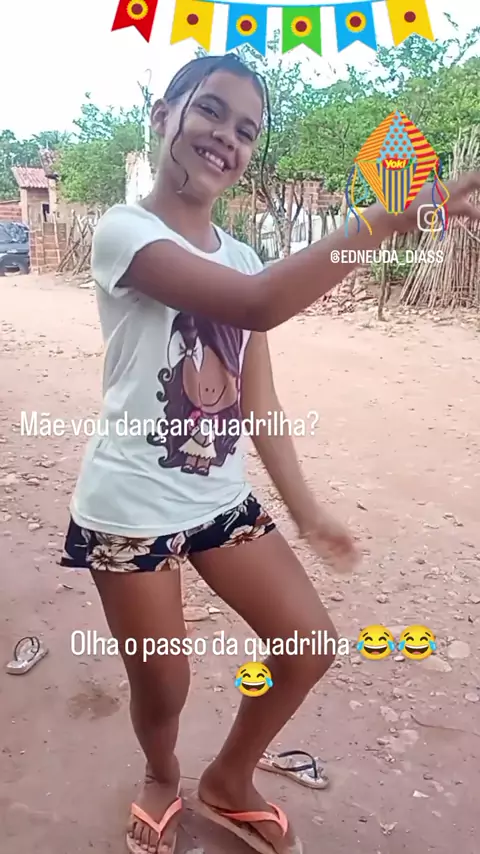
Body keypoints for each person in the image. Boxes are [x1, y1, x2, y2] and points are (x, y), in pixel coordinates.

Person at [61, 52, 480, 854]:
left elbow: (259, 402)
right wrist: (387, 219)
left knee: (308, 645)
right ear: (164, 116)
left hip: (219, 501)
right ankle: (161, 775)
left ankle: (228, 779)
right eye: (211, 111)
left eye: (247, 130)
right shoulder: (125, 232)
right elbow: (259, 306)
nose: (228, 137)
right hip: (128, 509)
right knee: (164, 682)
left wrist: (307, 509)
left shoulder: (245, 254)